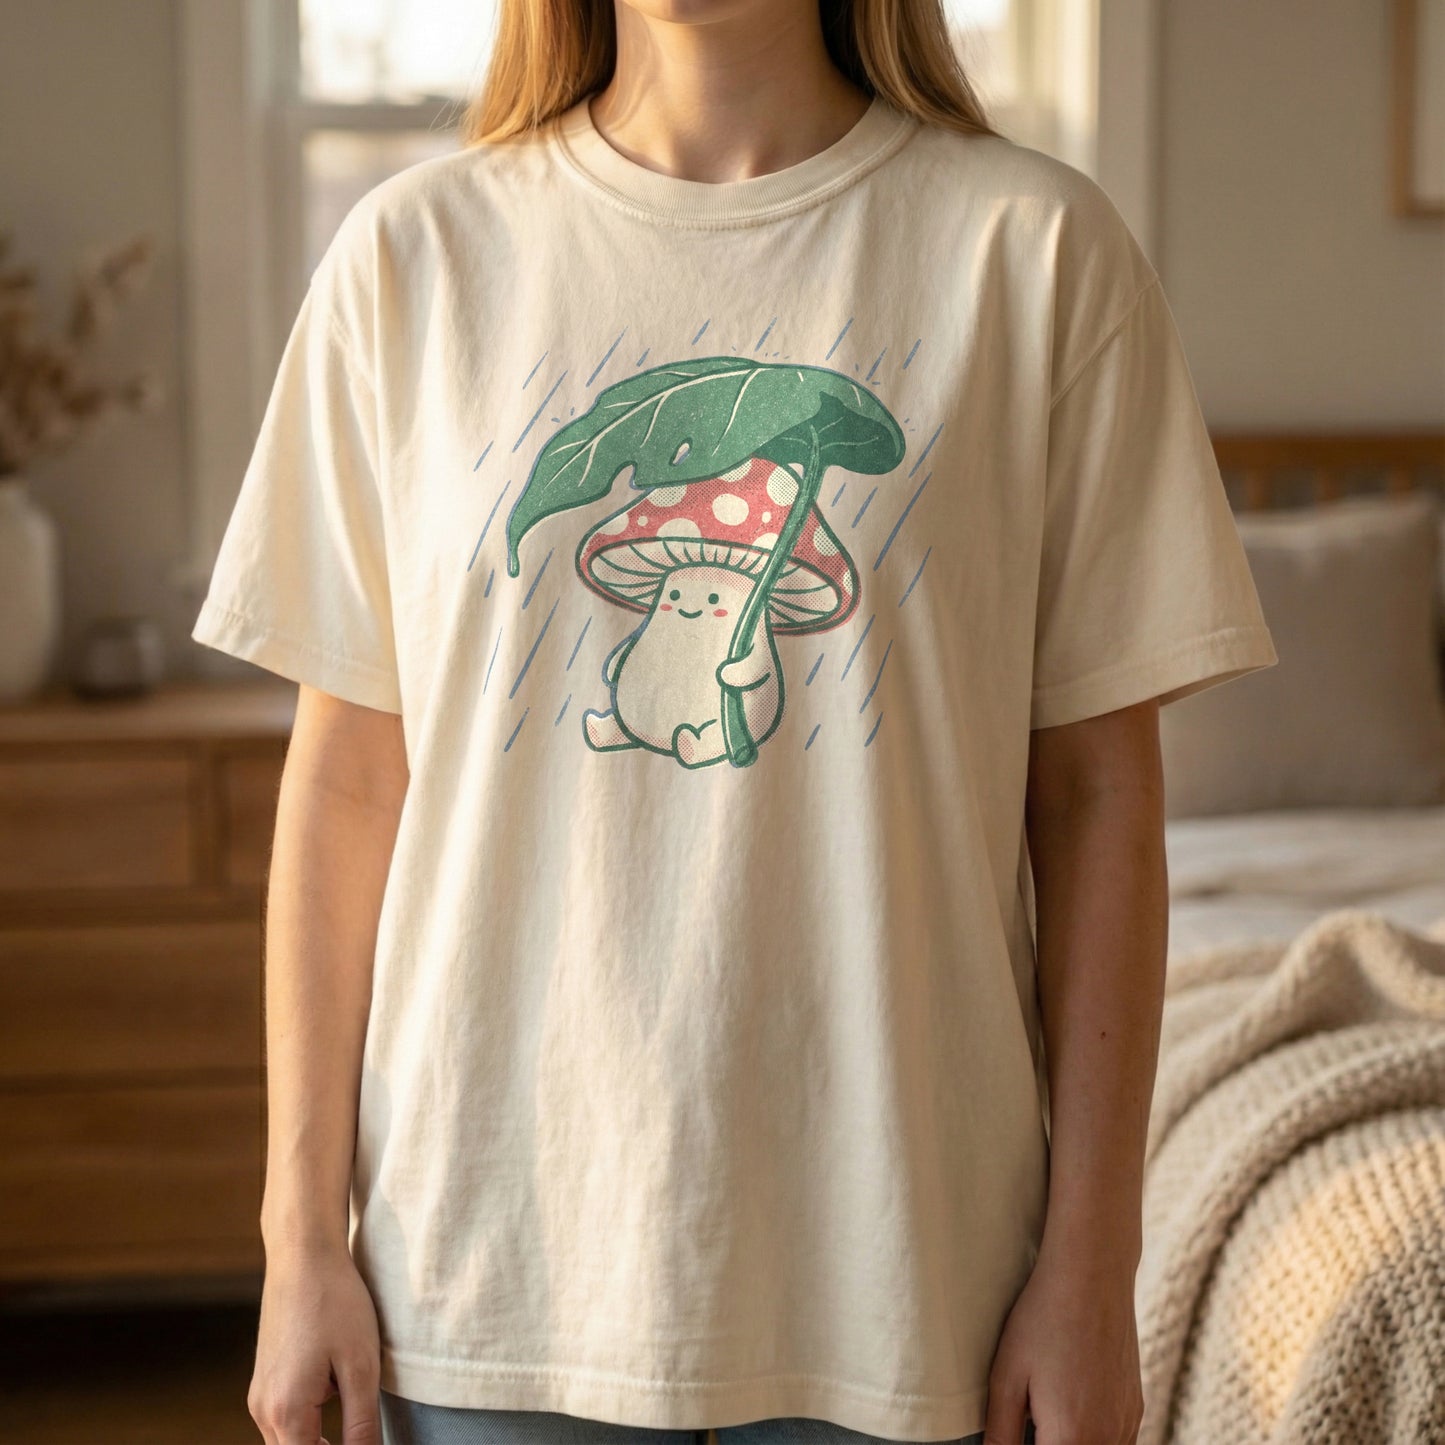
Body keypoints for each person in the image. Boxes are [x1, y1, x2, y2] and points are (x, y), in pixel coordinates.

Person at [192, 0, 1278, 1442]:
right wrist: (298, 1240)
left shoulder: (1034, 255)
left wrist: (1089, 1264)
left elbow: (1094, 804)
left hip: (909, 1282)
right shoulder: (410, 260)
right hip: (482, 1280)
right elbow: (344, 789)